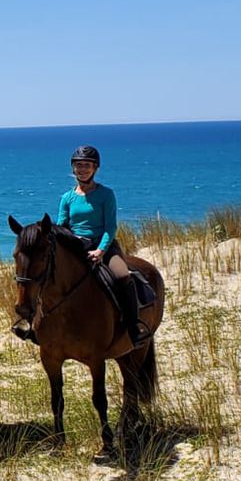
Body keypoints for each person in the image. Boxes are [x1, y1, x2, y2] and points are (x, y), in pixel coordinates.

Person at [57, 145, 151, 345]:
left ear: (95, 168)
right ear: (73, 168)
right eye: (78, 165)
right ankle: (37, 324)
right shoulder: (67, 198)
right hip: (77, 246)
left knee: (122, 275)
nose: (82, 169)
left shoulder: (106, 194)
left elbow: (110, 227)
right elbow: (62, 226)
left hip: (104, 245)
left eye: (87, 165)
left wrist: (100, 251)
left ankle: (134, 325)